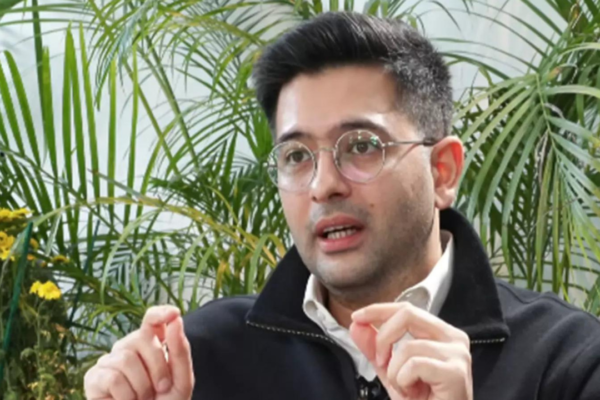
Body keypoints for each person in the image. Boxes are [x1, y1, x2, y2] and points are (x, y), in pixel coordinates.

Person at [83, 12, 600, 400]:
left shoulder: (567, 360)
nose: (324, 185)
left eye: (361, 146)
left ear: (442, 171)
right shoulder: (200, 359)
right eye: (296, 156)